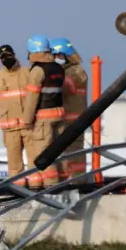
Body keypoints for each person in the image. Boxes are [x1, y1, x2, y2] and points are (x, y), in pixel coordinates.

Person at [0, 44, 40, 179]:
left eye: (8, 55)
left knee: (35, 160)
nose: (6, 59)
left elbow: (35, 95)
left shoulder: (27, 72)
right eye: (3, 57)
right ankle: (19, 190)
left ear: (14, 55)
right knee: (14, 164)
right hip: (10, 128)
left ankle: (36, 187)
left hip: (28, 125)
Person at [25, 35, 66, 189]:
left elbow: (31, 98)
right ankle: (63, 182)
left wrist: (27, 121)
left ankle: (52, 186)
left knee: (44, 153)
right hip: (59, 114)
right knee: (58, 152)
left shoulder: (37, 70)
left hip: (44, 118)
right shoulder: (58, 68)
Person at [50, 38, 90, 182]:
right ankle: (75, 180)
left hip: (72, 120)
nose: (55, 59)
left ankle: (76, 182)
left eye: (57, 56)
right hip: (72, 119)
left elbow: (66, 87)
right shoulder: (73, 70)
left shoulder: (74, 71)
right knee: (71, 154)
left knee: (72, 154)